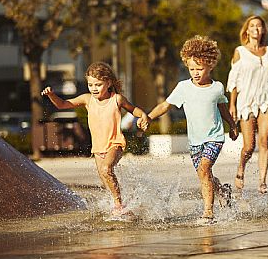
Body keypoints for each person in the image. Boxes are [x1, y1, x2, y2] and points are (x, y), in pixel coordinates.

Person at [143, 35, 239, 224]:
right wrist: (149, 116)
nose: (195, 73)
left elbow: (223, 109)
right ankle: (222, 191)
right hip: (195, 141)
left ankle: (208, 213)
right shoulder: (183, 87)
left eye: (199, 68)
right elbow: (165, 105)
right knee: (206, 175)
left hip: (215, 137)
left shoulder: (217, 88)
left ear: (210, 65)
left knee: (204, 170)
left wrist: (233, 126)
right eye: (191, 68)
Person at [41, 62, 149, 217]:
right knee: (106, 179)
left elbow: (134, 110)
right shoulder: (87, 99)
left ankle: (119, 206)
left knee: (106, 169)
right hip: (98, 148)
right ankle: (121, 206)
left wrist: (143, 115)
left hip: (115, 143)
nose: (94, 88)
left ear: (109, 82)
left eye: (98, 84)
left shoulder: (117, 99)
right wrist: (52, 95)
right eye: (90, 85)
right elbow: (63, 104)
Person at [227, 15, 268, 194]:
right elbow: (234, 80)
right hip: (246, 101)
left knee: (265, 140)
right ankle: (241, 167)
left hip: (267, 99)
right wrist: (232, 105)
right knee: (249, 146)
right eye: (252, 26)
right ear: (247, 30)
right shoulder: (240, 51)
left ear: (263, 30)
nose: (256, 29)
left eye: (259, 26)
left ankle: (262, 181)